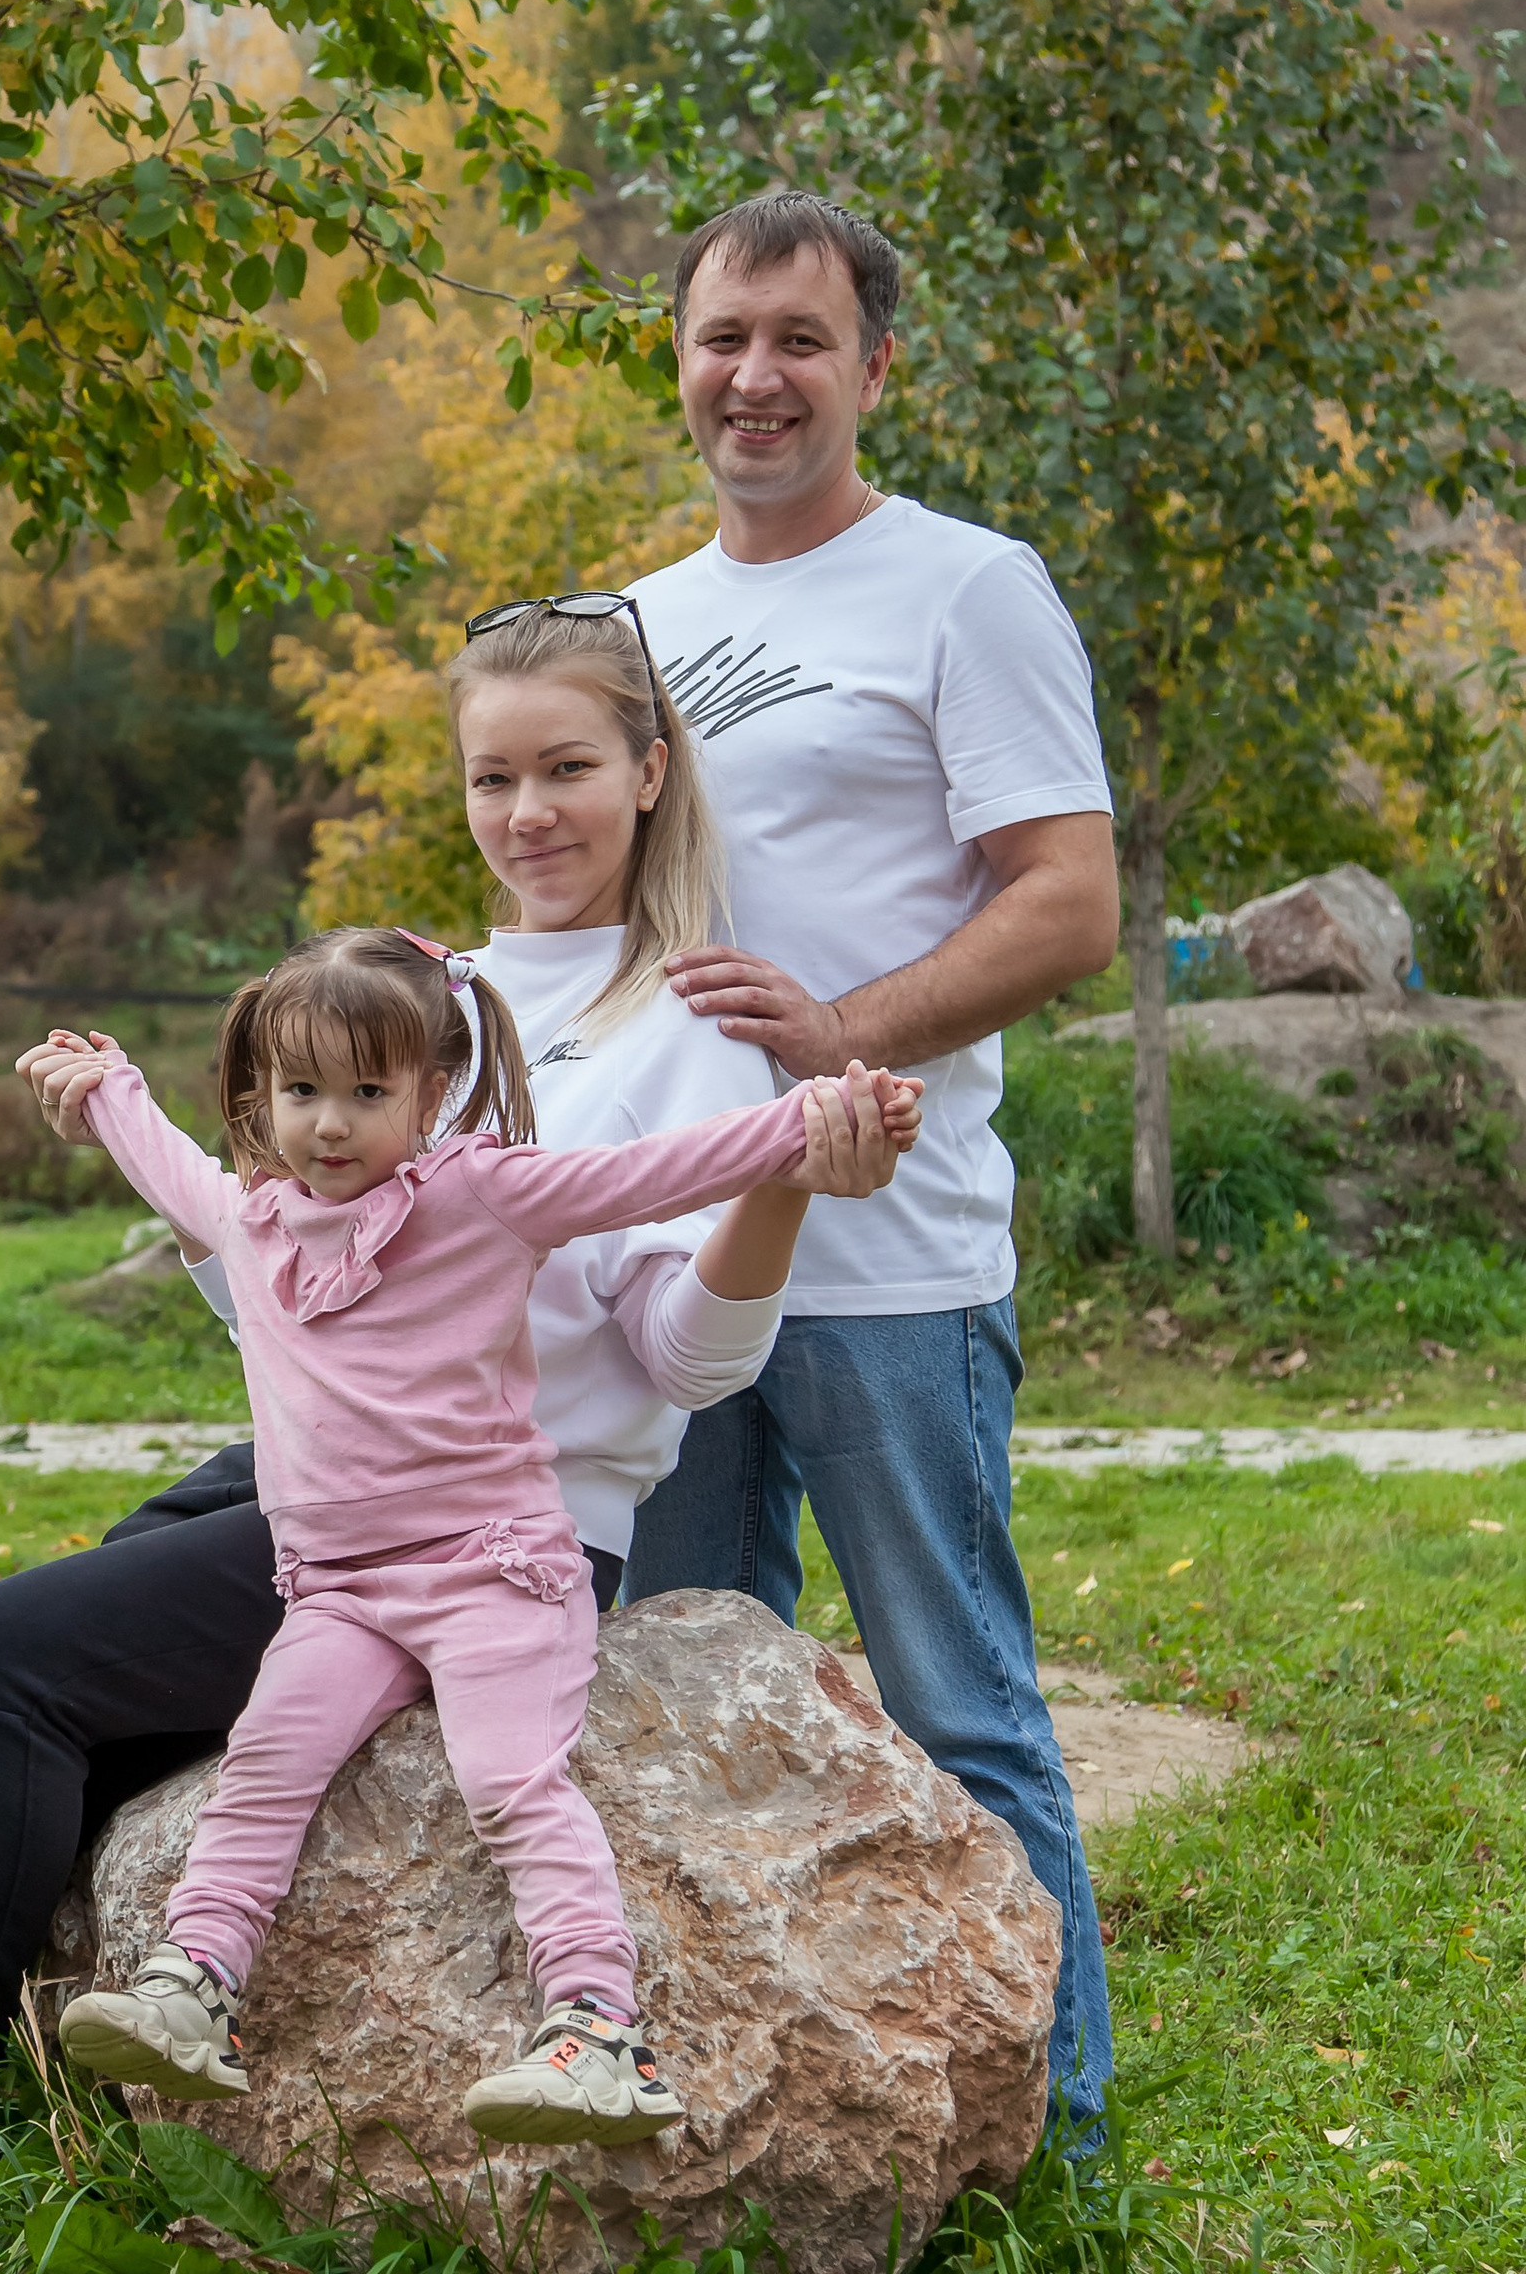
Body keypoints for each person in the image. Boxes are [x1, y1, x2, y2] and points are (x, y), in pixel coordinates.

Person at [0, 602, 907, 2273]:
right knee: (14, 1739)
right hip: (294, 1490)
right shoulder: (422, 997)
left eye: (568, 770)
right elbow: (278, 1298)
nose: (527, 813)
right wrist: (194, 1187)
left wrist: (776, 1180)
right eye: (491, 776)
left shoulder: (700, 1030)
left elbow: (683, 1365)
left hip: (477, 1528)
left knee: (3, 1663)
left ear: (651, 774)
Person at [29, 930, 917, 2145]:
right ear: (259, 1099)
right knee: (268, 1759)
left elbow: (649, 1175)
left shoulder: (482, 1193)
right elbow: (164, 1162)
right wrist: (106, 1085)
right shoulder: (256, 1223)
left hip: (492, 1570)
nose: (330, 1124)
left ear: (429, 1092)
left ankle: (600, 2031)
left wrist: (812, 1120)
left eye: (366, 1092)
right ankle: (196, 1984)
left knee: (507, 1779)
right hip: (339, 1593)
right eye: (301, 1093)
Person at [618, 189, 1123, 2126]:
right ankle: (728, 2121)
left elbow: (1064, 901)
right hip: (676, 1276)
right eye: (720, 335)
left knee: (956, 1708)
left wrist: (843, 1033)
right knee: (671, 1709)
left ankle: (1045, 2124)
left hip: (891, 1265)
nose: (753, 374)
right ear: (676, 358)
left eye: (798, 339)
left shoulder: (963, 588)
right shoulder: (640, 625)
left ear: (873, 369)